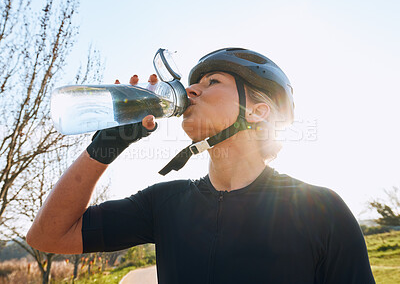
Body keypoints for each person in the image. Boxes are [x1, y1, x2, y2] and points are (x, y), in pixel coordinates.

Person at [26, 48, 375, 283]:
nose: (191, 90)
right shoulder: (164, 203)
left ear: (258, 111)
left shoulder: (321, 209)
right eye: (194, 83)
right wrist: (104, 148)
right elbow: (48, 236)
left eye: (212, 83)